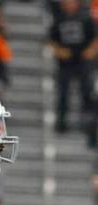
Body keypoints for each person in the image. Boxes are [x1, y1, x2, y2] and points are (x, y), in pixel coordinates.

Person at [48, 0, 98, 133]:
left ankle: (88, 122)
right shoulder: (59, 19)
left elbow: (95, 37)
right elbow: (51, 39)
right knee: (63, 92)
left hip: (83, 61)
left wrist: (91, 51)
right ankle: (61, 122)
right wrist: (59, 50)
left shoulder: (86, 18)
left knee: (86, 91)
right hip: (65, 63)